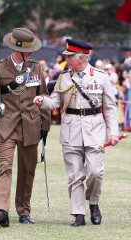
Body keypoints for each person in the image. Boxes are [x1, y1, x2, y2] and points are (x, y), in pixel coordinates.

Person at [34, 39, 119, 227]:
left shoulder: (101, 77)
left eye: (70, 57)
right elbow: (55, 102)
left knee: (96, 172)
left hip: (95, 129)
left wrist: (113, 132)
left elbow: (111, 108)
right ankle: (78, 213)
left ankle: (94, 203)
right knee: (75, 175)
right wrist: (42, 101)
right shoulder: (64, 77)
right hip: (71, 129)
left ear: (81, 58)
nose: (67, 60)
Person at [0, 27, 51, 227]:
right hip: (6, 124)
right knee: (5, 167)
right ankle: (1, 211)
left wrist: (45, 126)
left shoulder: (36, 67)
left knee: (27, 170)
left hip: (30, 125)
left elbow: (45, 96)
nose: (31, 53)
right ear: (17, 49)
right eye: (28, 50)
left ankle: (23, 211)